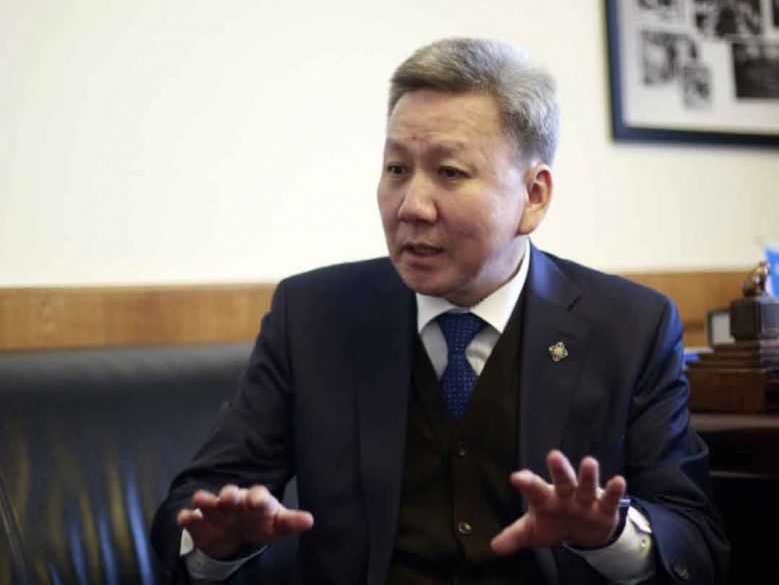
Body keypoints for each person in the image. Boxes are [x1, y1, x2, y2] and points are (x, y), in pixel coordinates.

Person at [152, 38, 728, 584]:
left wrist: (611, 536)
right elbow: (195, 505)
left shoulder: (630, 327)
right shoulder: (313, 317)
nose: (411, 206)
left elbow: (695, 539)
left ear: (533, 197)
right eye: (397, 169)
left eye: (450, 173)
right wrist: (215, 544)